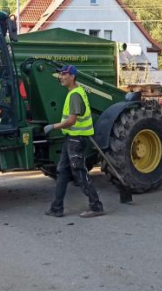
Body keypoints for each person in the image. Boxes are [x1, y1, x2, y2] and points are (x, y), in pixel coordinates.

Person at [43, 65, 105, 218]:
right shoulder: (73, 93)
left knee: (79, 172)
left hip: (77, 139)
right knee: (62, 171)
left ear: (72, 76)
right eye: (60, 75)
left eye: (64, 74)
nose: (61, 77)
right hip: (71, 137)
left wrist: (53, 126)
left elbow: (71, 120)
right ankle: (57, 208)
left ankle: (96, 206)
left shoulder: (75, 95)